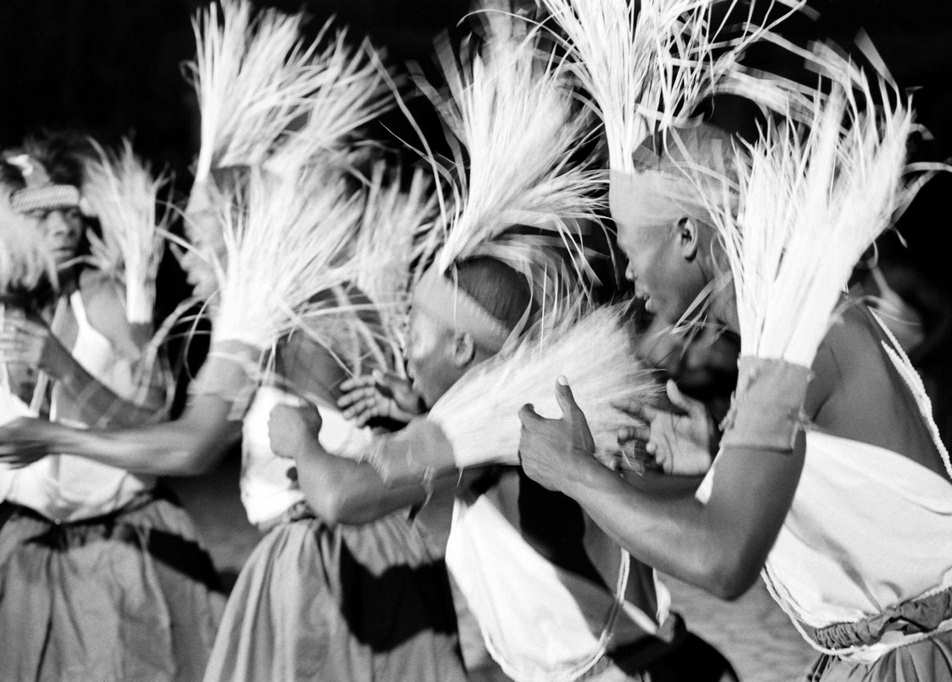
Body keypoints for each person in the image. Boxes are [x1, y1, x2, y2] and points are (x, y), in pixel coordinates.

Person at [517, 123, 952, 680]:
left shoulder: (796, 340)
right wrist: (717, 462)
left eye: (628, 248)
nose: (625, 274)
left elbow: (722, 562)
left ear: (686, 236)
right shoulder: (794, 324)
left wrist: (573, 472)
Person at [275, 256, 738, 681]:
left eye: (414, 339)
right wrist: (418, 408)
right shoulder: (526, 408)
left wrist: (301, 440)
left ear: (460, 346)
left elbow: (341, 498)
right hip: (670, 659)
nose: (407, 357)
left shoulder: (470, 431)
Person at [0, 137, 225, 681]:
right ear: (4, 232)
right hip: (29, 549)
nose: (64, 228)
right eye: (42, 217)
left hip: (128, 548)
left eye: (69, 212)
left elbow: (160, 429)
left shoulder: (103, 299)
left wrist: (64, 367)